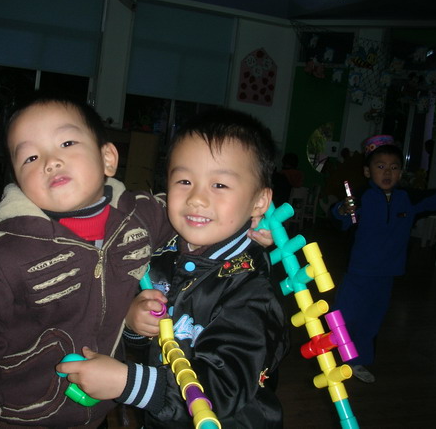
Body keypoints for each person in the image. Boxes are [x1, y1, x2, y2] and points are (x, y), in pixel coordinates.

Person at [0, 94, 174, 428]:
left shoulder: (139, 218)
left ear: (107, 158)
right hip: (19, 416)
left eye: (67, 143)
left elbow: (189, 212)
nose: (50, 161)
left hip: (100, 407)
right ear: (17, 179)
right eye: (30, 157)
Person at [57, 108, 289, 428]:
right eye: (184, 180)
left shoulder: (252, 291)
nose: (196, 198)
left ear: (259, 202)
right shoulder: (165, 254)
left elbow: (221, 389)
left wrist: (126, 383)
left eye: (219, 185)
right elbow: (157, 339)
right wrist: (133, 322)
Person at [332, 134, 436, 384]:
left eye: (394, 167)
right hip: (359, 271)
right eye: (380, 166)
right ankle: (337, 355)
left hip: (387, 273)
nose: (387, 172)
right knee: (345, 316)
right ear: (368, 171)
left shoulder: (408, 198)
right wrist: (343, 209)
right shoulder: (361, 197)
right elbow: (341, 215)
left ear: (401, 173)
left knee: (371, 320)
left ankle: (358, 361)